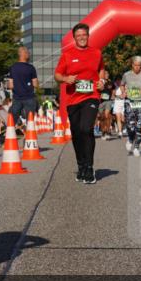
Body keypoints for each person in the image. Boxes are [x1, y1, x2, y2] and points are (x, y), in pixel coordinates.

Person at [54, 23, 107, 183]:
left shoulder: (96, 53)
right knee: (77, 133)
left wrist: (102, 81)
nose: (82, 38)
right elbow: (57, 74)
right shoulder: (67, 55)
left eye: (84, 35)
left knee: (86, 128)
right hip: (72, 99)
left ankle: (90, 168)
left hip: (91, 96)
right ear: (74, 38)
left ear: (88, 36)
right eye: (79, 36)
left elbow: (101, 69)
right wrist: (65, 78)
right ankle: (81, 165)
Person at [121, 56, 141, 157]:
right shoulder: (126, 75)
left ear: (140, 66)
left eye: (139, 66)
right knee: (130, 126)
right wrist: (123, 92)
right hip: (129, 102)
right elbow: (122, 85)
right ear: (132, 65)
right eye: (135, 65)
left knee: (139, 126)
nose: (137, 67)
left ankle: (136, 147)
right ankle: (130, 139)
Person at [8, 46, 39, 128]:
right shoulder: (31, 68)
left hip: (17, 97)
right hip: (29, 97)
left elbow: (10, 84)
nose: (29, 54)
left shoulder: (13, 67)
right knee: (30, 120)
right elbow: (35, 84)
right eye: (28, 53)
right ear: (23, 54)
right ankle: (29, 137)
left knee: (13, 119)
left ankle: (7, 137)